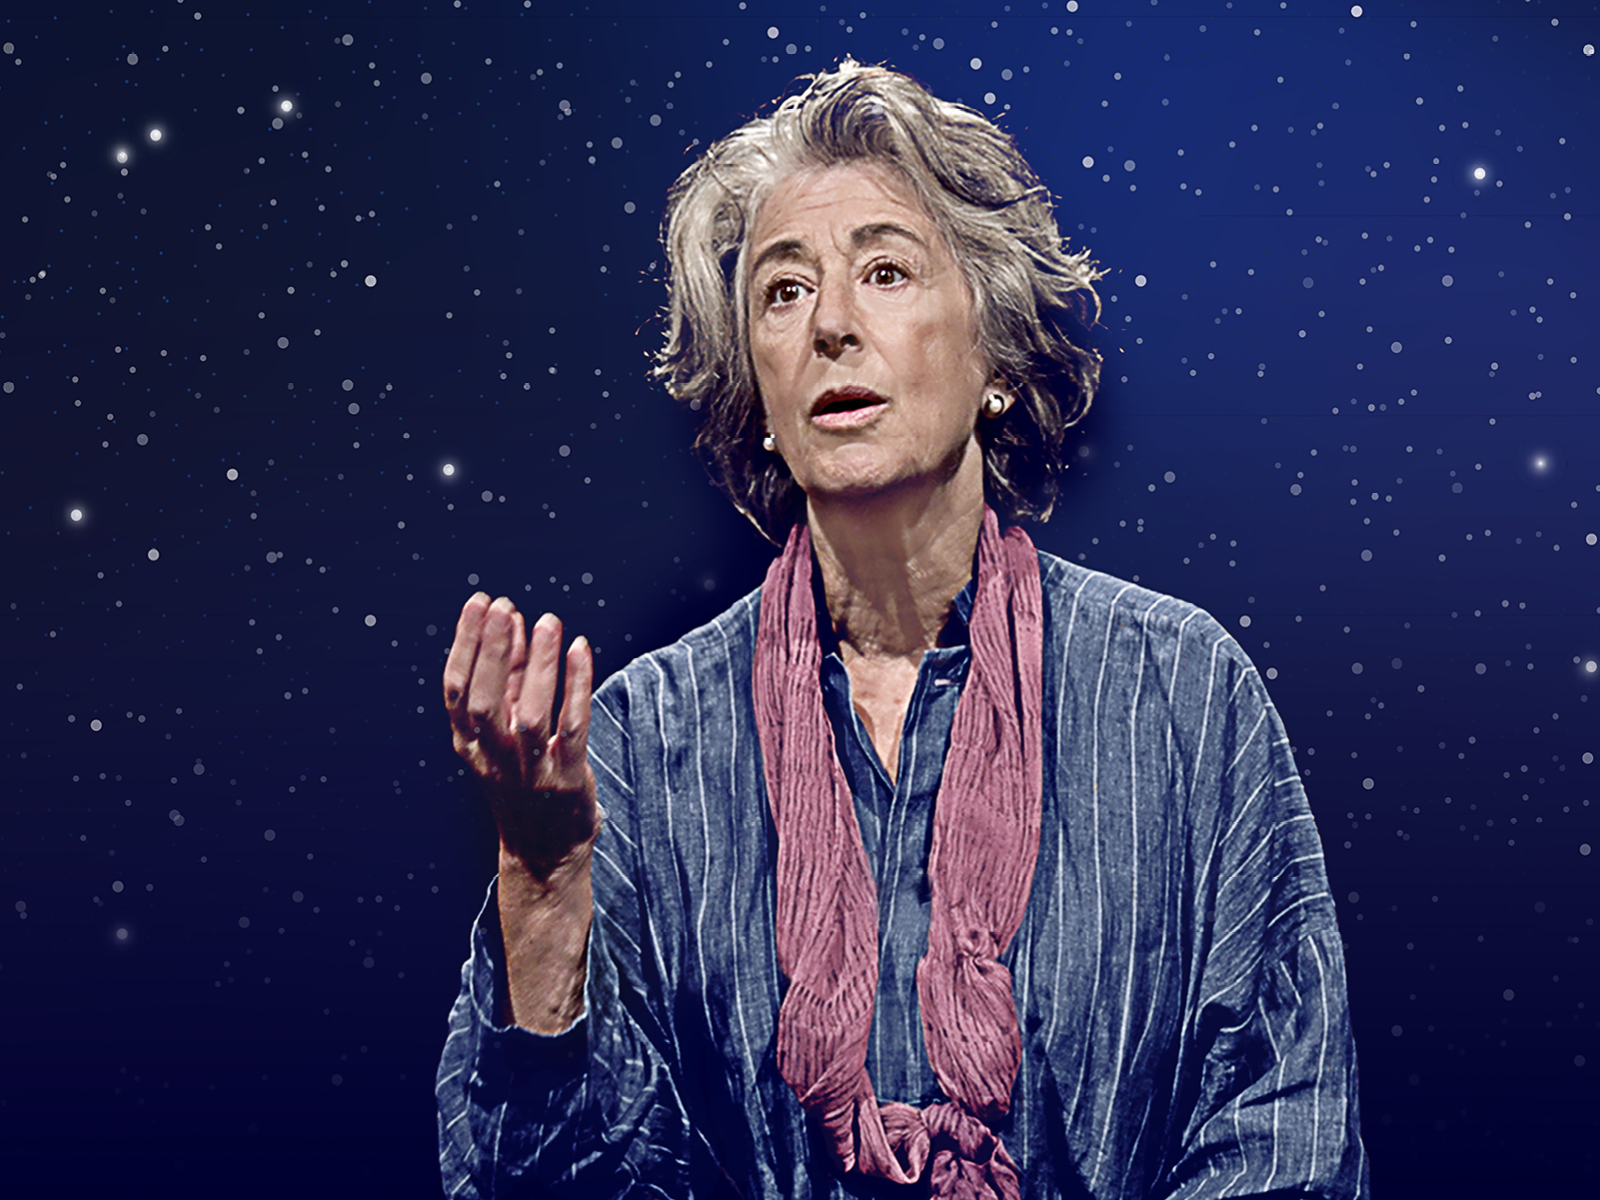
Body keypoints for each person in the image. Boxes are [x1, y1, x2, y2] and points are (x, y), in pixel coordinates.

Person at [435, 60, 1367, 1200]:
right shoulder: (639, 741)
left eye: (884, 271)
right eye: (783, 292)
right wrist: (541, 881)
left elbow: (1284, 1140)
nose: (830, 325)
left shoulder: (1179, 693)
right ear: (757, 391)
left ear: (994, 353)